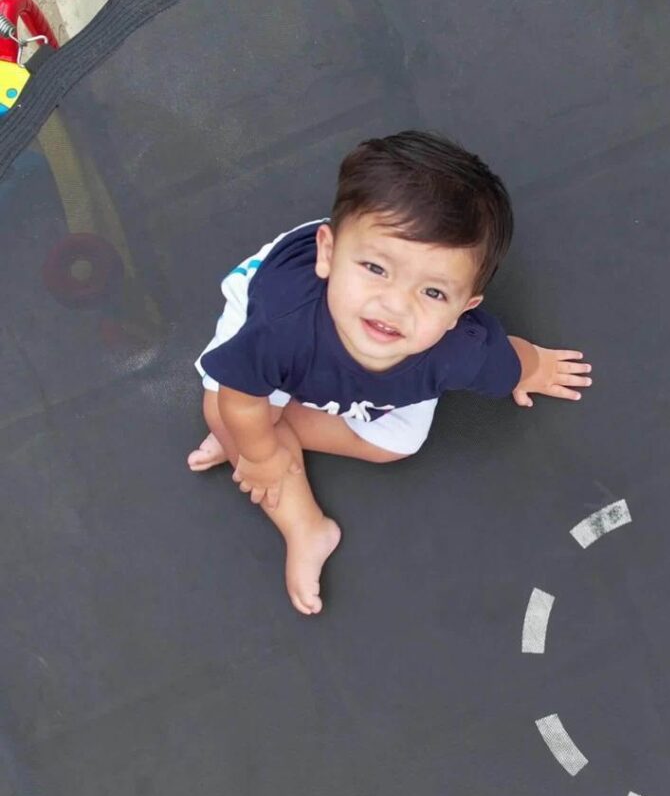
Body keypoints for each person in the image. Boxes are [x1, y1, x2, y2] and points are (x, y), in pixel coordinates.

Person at [186, 131, 592, 615]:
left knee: (397, 446)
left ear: (465, 309)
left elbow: (510, 360)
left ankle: (265, 428)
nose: (394, 305)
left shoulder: (459, 350)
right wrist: (258, 453)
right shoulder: (279, 326)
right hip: (274, 304)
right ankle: (307, 527)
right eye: (376, 269)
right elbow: (240, 394)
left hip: (340, 370)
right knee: (224, 410)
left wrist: (536, 368)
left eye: (434, 293)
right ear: (330, 253)